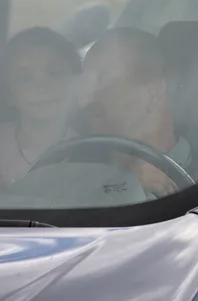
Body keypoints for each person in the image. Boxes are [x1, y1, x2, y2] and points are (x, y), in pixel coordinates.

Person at [79, 27, 192, 197]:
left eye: (105, 79)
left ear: (153, 93)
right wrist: (124, 183)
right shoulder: (76, 164)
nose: (85, 99)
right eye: (84, 82)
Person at [0, 27, 81, 191]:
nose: (42, 87)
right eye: (25, 78)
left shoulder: (89, 151)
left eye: (54, 73)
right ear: (9, 92)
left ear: (75, 82)